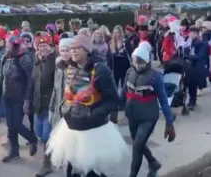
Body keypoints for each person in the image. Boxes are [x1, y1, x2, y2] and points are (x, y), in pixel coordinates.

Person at [46, 34, 128, 177]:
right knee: (72, 171)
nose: (74, 51)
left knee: (92, 172)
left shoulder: (100, 69)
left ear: (88, 50)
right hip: (71, 129)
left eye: (78, 48)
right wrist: (62, 109)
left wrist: (93, 114)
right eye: (72, 48)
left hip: (93, 131)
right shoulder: (69, 67)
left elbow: (114, 101)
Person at [123, 42, 176, 177]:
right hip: (132, 115)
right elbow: (122, 93)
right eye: (135, 60)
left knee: (137, 146)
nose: (137, 64)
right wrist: (111, 110)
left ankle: (132, 175)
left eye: (140, 61)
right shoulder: (129, 72)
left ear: (146, 61)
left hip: (148, 117)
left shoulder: (155, 77)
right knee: (138, 144)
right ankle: (153, 162)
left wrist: (169, 122)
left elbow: (163, 100)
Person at [0, 34, 38, 163]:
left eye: (8, 42)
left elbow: (31, 80)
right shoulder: (5, 57)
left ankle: (32, 139)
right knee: (10, 126)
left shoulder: (24, 58)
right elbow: (1, 77)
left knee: (17, 125)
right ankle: (14, 152)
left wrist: (27, 99)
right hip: (7, 96)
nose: (7, 44)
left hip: (19, 97)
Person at [30, 33, 57, 177]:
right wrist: (28, 101)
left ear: (51, 46)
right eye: (40, 46)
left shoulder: (55, 60)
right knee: (39, 133)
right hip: (37, 103)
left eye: (45, 45)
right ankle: (54, 154)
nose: (42, 48)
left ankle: (47, 165)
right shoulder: (38, 61)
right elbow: (33, 82)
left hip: (49, 104)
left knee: (46, 136)